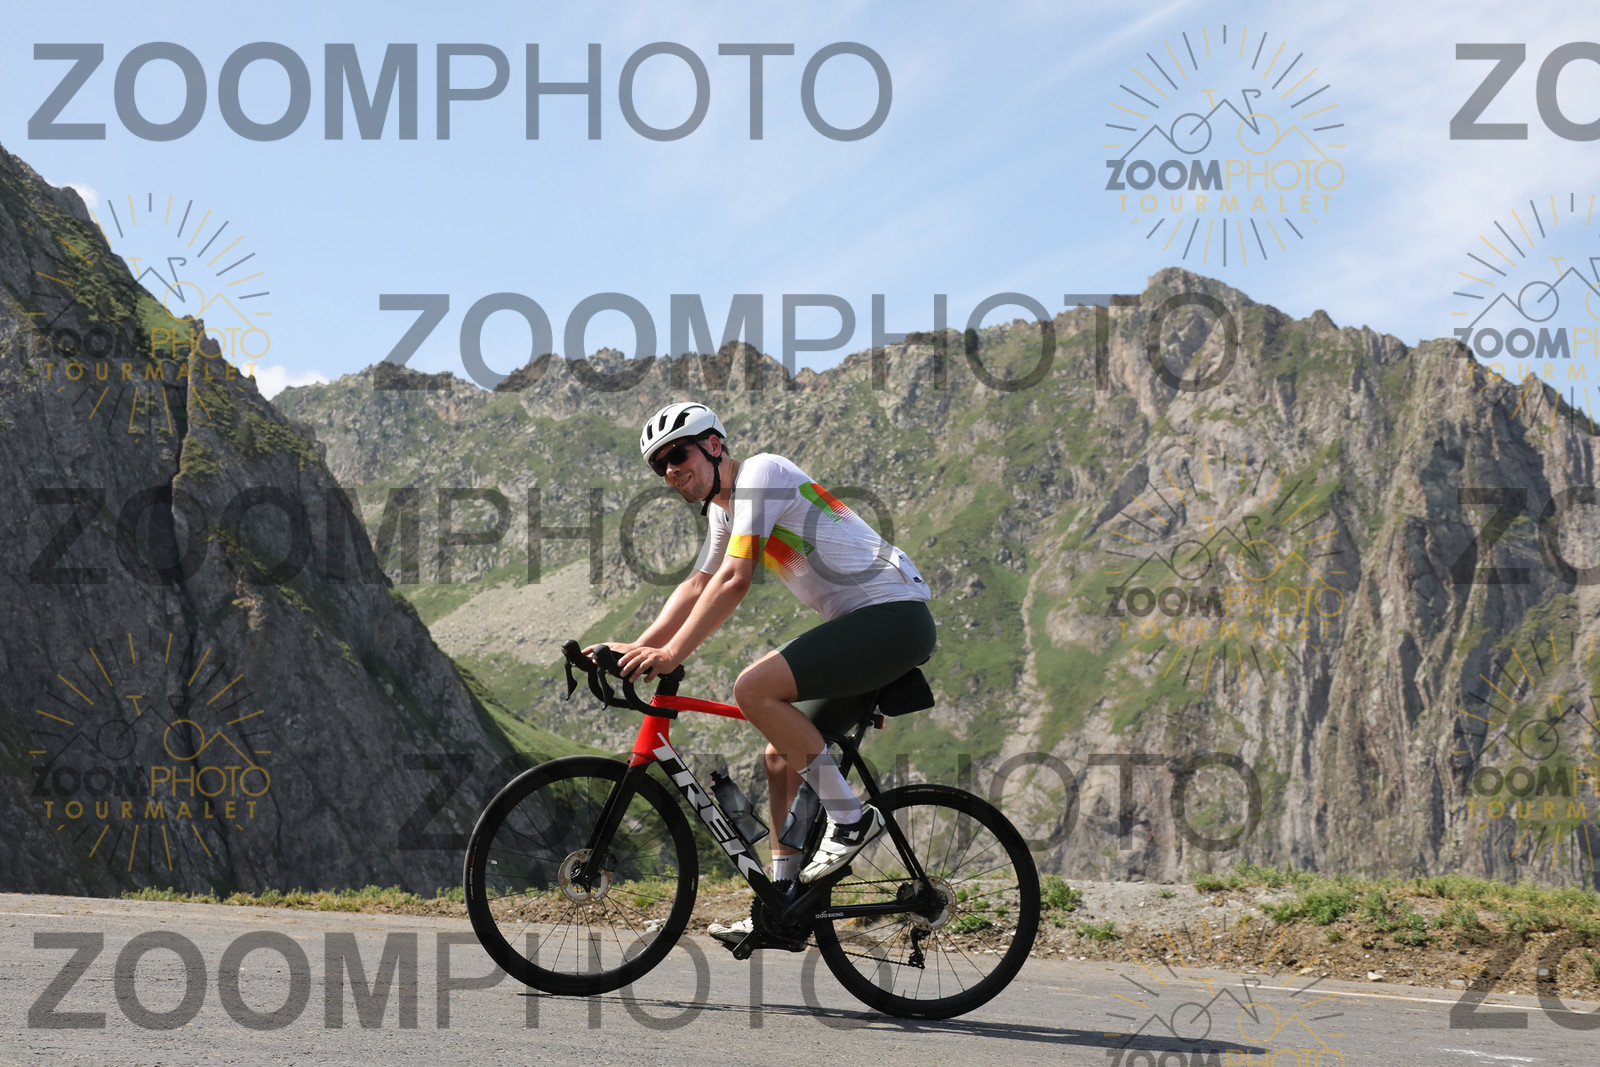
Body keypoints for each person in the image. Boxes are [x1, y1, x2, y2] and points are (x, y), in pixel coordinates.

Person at [589, 401, 935, 945]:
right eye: (660, 466)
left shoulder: (762, 474)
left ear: (714, 445)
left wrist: (672, 653)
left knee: (752, 688)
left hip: (892, 617)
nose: (671, 470)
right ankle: (785, 904)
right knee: (780, 757)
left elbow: (733, 580)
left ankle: (850, 818)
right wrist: (639, 646)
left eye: (678, 454)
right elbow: (697, 585)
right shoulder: (724, 511)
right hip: (864, 627)